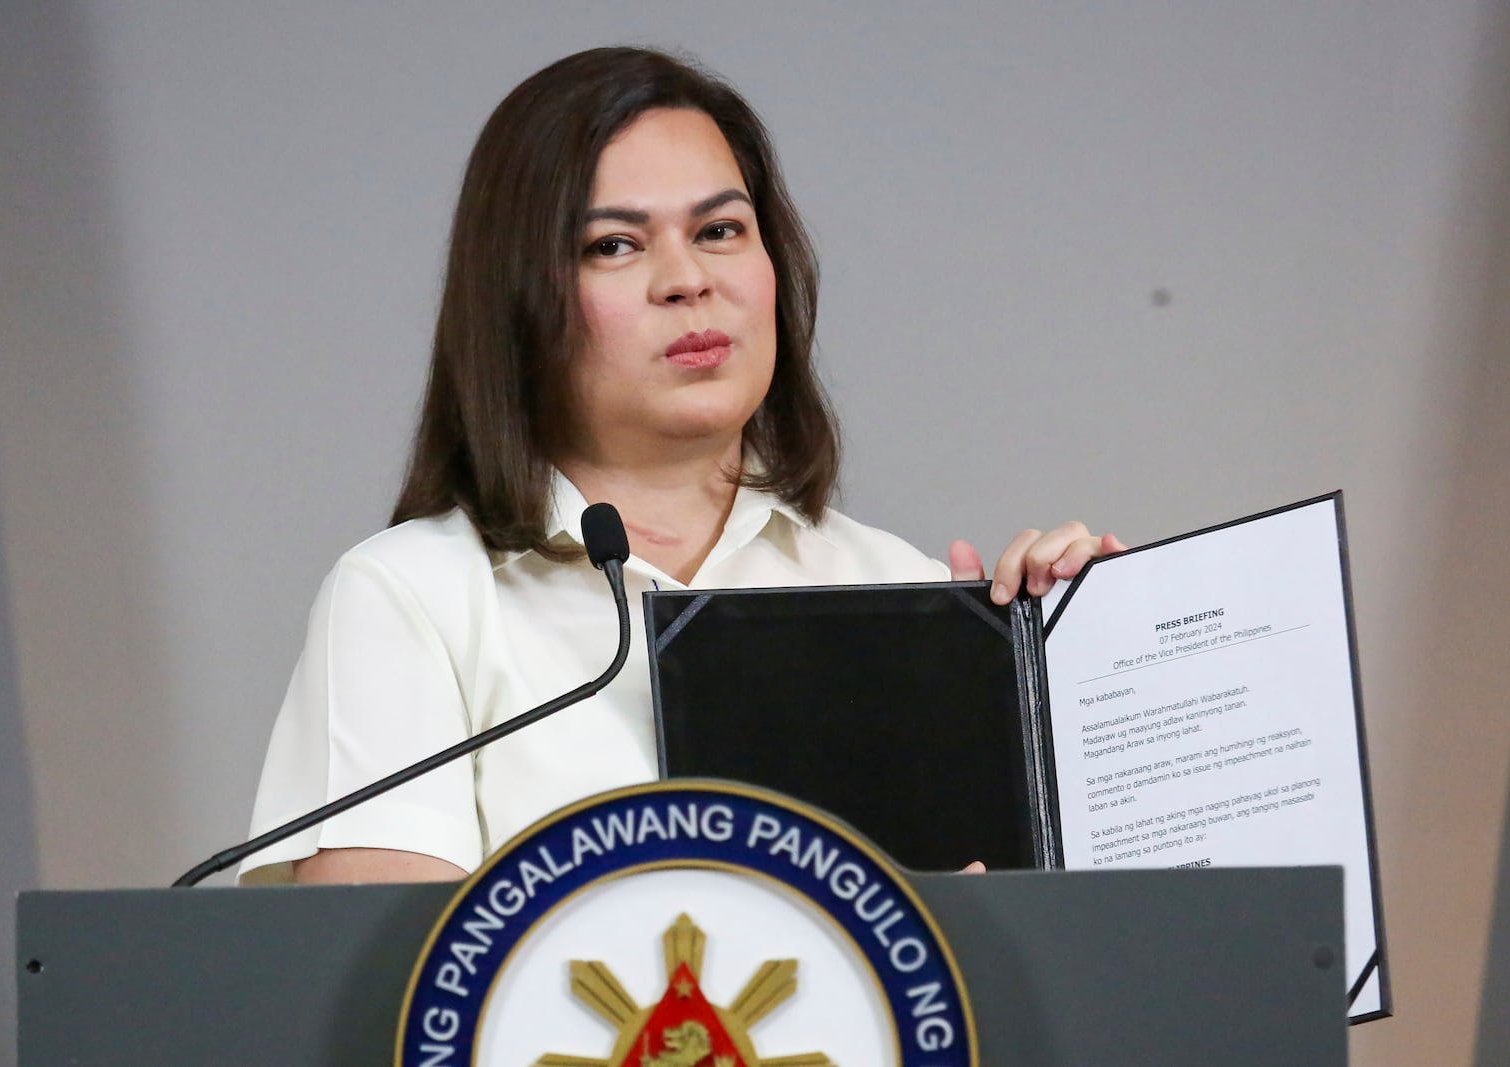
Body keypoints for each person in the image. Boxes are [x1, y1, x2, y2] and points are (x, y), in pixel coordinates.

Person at [240, 47, 1122, 885]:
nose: (686, 279)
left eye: (721, 229)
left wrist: (1090, 680)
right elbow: (407, 996)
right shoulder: (414, 598)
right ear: (518, 298)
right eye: (615, 245)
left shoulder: (900, 585)